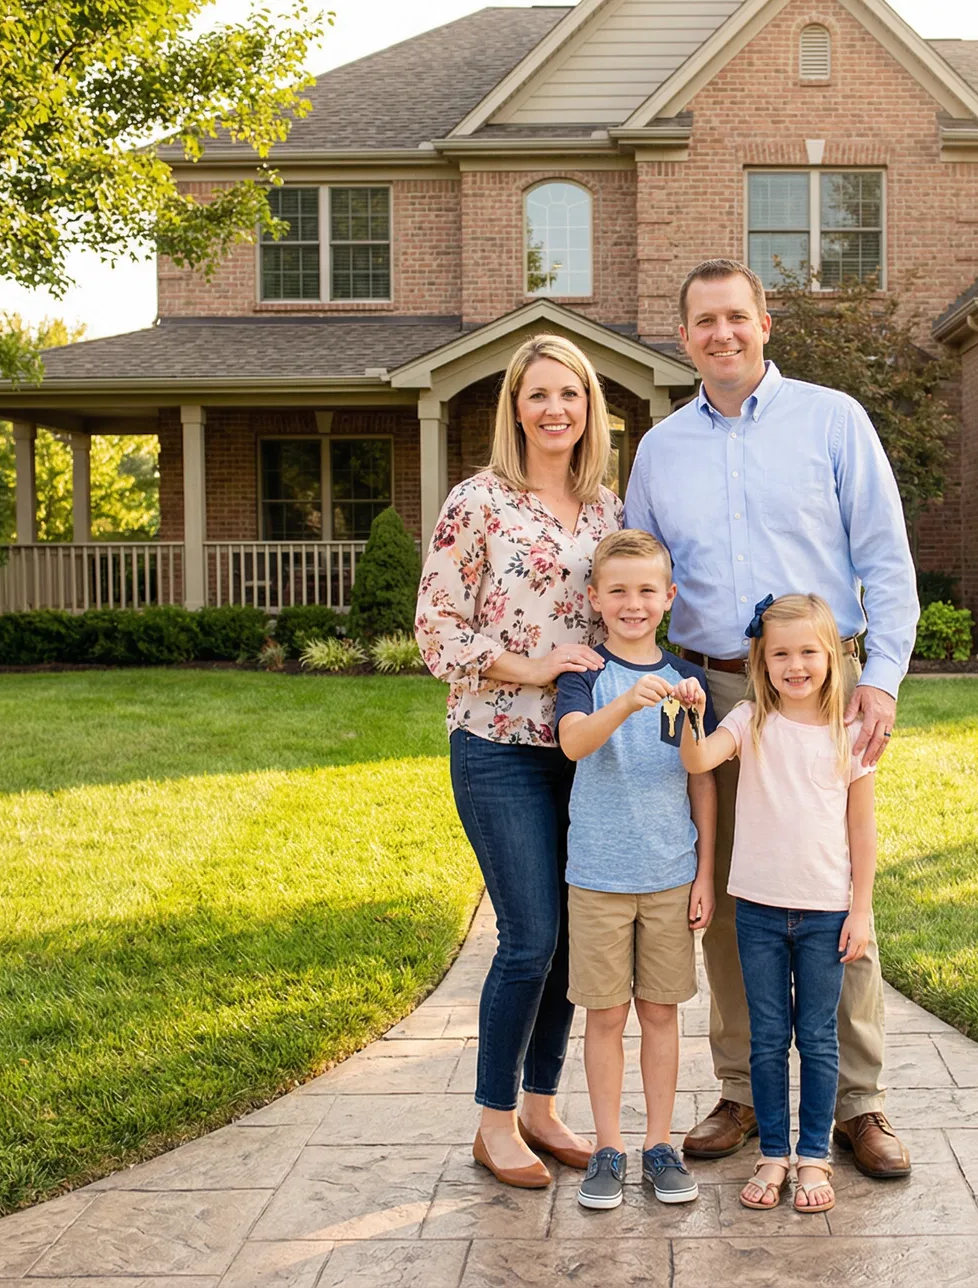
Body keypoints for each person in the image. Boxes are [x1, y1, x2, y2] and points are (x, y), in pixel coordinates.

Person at [624, 258, 919, 1178]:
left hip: (823, 689)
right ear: (684, 338)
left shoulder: (833, 420)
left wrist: (884, 680)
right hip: (712, 689)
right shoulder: (659, 449)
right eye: (704, 322)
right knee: (728, 892)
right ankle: (744, 1092)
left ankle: (858, 1105)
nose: (723, 334)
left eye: (737, 318)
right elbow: (640, 578)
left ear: (765, 323)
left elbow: (885, 557)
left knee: (832, 883)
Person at [416, 333, 621, 1188]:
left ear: (589, 408)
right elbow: (436, 628)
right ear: (514, 407)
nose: (554, 410)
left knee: (573, 942)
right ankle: (494, 1122)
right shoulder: (479, 501)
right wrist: (533, 665)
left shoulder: (607, 508)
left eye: (569, 395)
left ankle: (543, 1107)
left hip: (585, 751)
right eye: (537, 395)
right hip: (498, 747)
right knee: (529, 936)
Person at [674, 593, 876, 1214]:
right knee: (766, 1038)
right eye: (780, 654)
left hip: (825, 914)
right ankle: (772, 1153)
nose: (796, 665)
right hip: (758, 911)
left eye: (808, 652)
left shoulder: (849, 733)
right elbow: (698, 758)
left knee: (816, 1039)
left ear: (832, 658)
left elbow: (863, 830)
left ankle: (813, 1157)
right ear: (760, 662)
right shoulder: (748, 720)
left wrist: (861, 908)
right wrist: (690, 713)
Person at [553, 528, 717, 1211]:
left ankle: (658, 1145)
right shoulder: (584, 674)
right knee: (603, 1017)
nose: (632, 603)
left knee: (659, 1014)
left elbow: (698, 776)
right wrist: (623, 699)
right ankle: (607, 1149)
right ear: (594, 597)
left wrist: (705, 872)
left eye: (647, 590)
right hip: (596, 876)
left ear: (668, 597)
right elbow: (573, 744)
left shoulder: (686, 681)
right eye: (617, 590)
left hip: (671, 873)